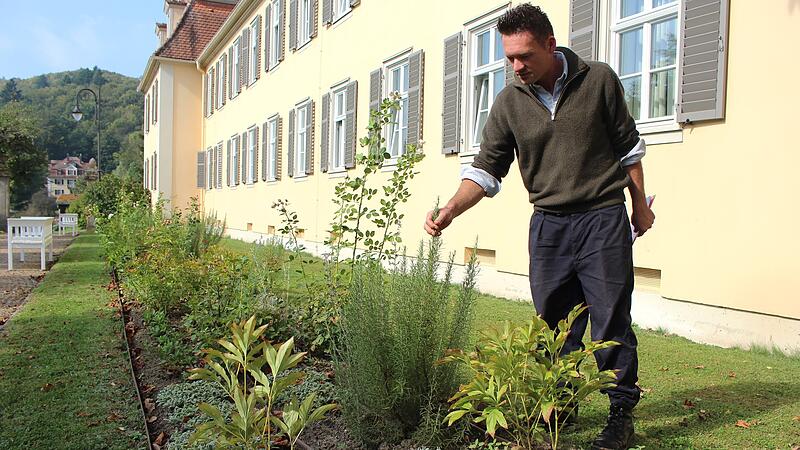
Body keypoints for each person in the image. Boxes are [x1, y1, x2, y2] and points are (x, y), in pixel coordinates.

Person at [424, 3, 655, 449]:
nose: (516, 66)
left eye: (525, 56)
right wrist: (451, 208)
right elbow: (487, 169)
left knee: (610, 321)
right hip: (549, 226)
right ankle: (559, 408)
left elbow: (629, 149)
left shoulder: (599, 79)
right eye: (509, 57)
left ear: (550, 45)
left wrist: (639, 206)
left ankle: (620, 413)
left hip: (602, 219)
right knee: (552, 325)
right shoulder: (510, 101)